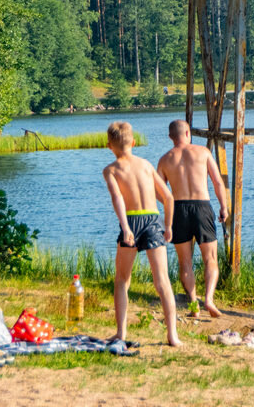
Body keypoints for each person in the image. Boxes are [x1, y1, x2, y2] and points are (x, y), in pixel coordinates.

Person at [102, 121, 181, 347]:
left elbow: (117, 198)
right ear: (134, 142)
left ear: (109, 146)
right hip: (152, 218)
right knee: (162, 281)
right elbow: (168, 198)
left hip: (132, 220)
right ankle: (172, 335)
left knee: (122, 280)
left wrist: (126, 228)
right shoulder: (146, 165)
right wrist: (168, 226)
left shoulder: (110, 170)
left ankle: (120, 333)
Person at [157, 119, 228, 318]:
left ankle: (194, 305)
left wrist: (170, 204)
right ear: (188, 133)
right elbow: (217, 182)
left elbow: (158, 192)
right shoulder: (203, 153)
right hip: (202, 206)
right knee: (210, 259)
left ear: (171, 137)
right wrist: (224, 207)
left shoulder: (164, 160)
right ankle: (209, 300)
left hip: (178, 208)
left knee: (185, 262)